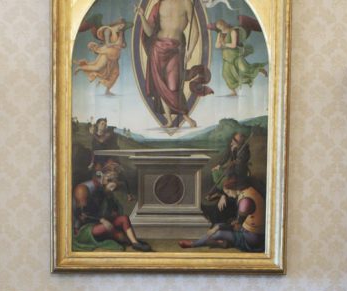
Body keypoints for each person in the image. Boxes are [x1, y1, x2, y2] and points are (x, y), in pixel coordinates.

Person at [138, 0, 204, 129]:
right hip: (157, 47)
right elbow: (150, 32)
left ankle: (186, 117)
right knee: (160, 85)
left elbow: (195, 31)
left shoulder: (187, 3)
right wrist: (141, 15)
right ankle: (169, 120)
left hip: (175, 49)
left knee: (173, 86)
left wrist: (190, 51)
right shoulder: (159, 4)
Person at [74, 159, 154, 252]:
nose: (113, 182)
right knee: (112, 231)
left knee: (124, 218)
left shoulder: (108, 193)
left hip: (104, 222)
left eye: (115, 178)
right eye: (110, 179)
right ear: (103, 179)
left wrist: (112, 214)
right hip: (87, 227)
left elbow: (113, 210)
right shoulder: (90, 191)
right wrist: (102, 220)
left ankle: (135, 243)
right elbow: (82, 214)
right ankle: (123, 239)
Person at [178, 174, 264, 252]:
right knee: (218, 227)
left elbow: (237, 226)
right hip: (249, 231)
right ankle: (223, 243)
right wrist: (220, 196)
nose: (228, 195)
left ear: (234, 188)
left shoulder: (245, 202)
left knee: (219, 233)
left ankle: (193, 244)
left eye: (228, 192)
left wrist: (218, 227)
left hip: (252, 238)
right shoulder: (247, 191)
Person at [210, 17, 266, 96]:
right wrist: (220, 43)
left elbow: (233, 45)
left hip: (235, 55)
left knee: (245, 69)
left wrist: (224, 44)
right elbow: (217, 46)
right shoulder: (220, 34)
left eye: (221, 26)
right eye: (219, 27)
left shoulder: (232, 31)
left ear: (224, 24)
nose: (221, 28)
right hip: (226, 57)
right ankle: (233, 92)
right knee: (225, 74)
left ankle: (259, 69)